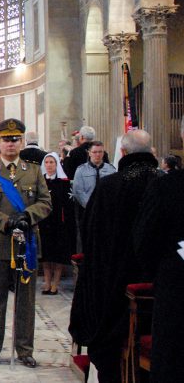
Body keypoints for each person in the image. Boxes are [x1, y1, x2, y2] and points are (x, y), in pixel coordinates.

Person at [69, 129, 160, 383]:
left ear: (122, 152)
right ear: (152, 152)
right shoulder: (165, 182)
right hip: (159, 286)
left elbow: (91, 233)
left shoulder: (110, 187)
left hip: (114, 284)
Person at [0, 118, 51, 368]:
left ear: (22, 142)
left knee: (25, 302)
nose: (11, 144)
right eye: (6, 140)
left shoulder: (34, 171)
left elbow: (45, 203)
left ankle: (25, 350)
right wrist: (6, 222)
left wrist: (28, 216)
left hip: (26, 244)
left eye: (15, 139)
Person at [132, 119, 184, 382]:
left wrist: (161, 269)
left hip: (175, 286)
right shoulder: (163, 183)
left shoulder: (167, 186)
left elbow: (145, 240)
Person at [38, 152, 74, 295]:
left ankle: (55, 283)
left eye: (52, 162)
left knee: (58, 255)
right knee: (46, 255)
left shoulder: (64, 183)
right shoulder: (40, 182)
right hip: (44, 222)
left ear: (57, 164)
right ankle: (47, 282)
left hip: (59, 223)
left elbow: (69, 206)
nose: (49, 165)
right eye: (46, 163)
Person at [72, 141, 116, 241]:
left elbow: (114, 190)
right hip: (87, 211)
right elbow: (78, 191)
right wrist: (91, 205)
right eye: (95, 152)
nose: (97, 154)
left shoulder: (111, 170)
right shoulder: (81, 170)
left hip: (106, 210)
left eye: (100, 152)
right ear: (89, 153)